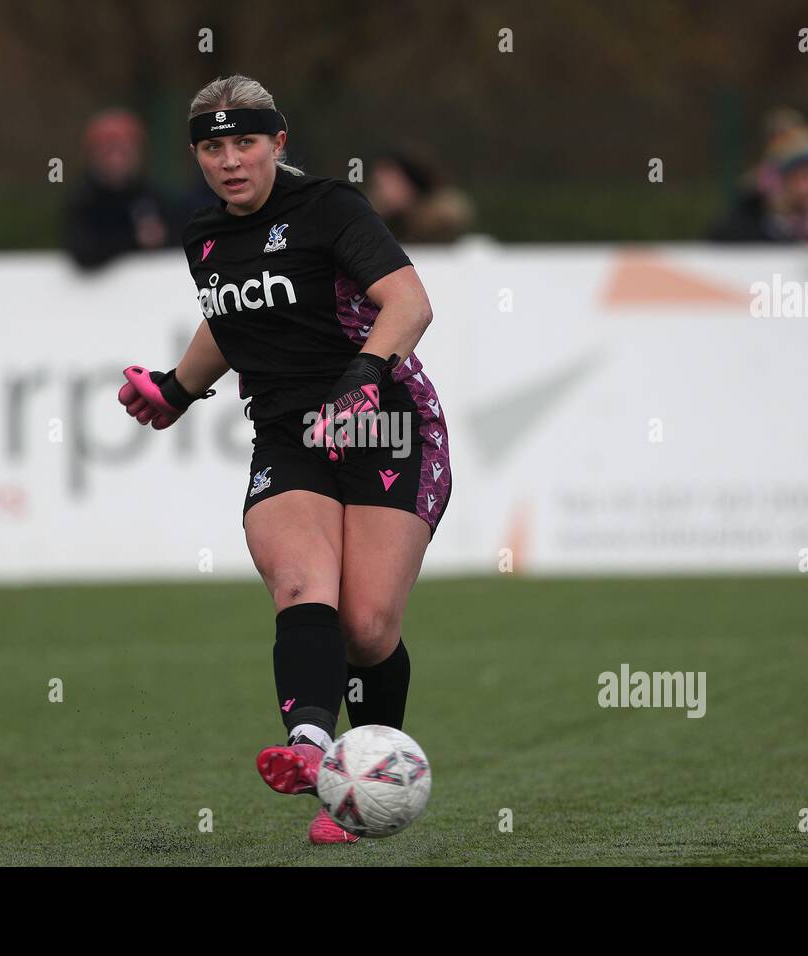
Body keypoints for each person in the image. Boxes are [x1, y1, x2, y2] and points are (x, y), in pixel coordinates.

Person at [117, 75, 451, 844]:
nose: (230, 161)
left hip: (385, 427)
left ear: (278, 143)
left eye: (245, 142)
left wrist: (364, 380)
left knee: (366, 628)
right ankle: (309, 748)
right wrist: (176, 388)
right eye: (212, 146)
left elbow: (409, 303)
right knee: (303, 585)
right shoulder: (203, 236)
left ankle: (362, 794)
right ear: (197, 154)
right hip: (288, 436)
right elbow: (234, 322)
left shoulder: (330, 207)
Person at [63, 109, 179, 270]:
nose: (116, 160)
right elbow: (83, 251)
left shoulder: (154, 197)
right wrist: (135, 240)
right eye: (109, 152)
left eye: (123, 152)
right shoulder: (82, 200)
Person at [368, 146, 475, 243]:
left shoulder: (442, 216)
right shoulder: (372, 217)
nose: (382, 192)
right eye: (378, 185)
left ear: (411, 183)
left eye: (390, 184)